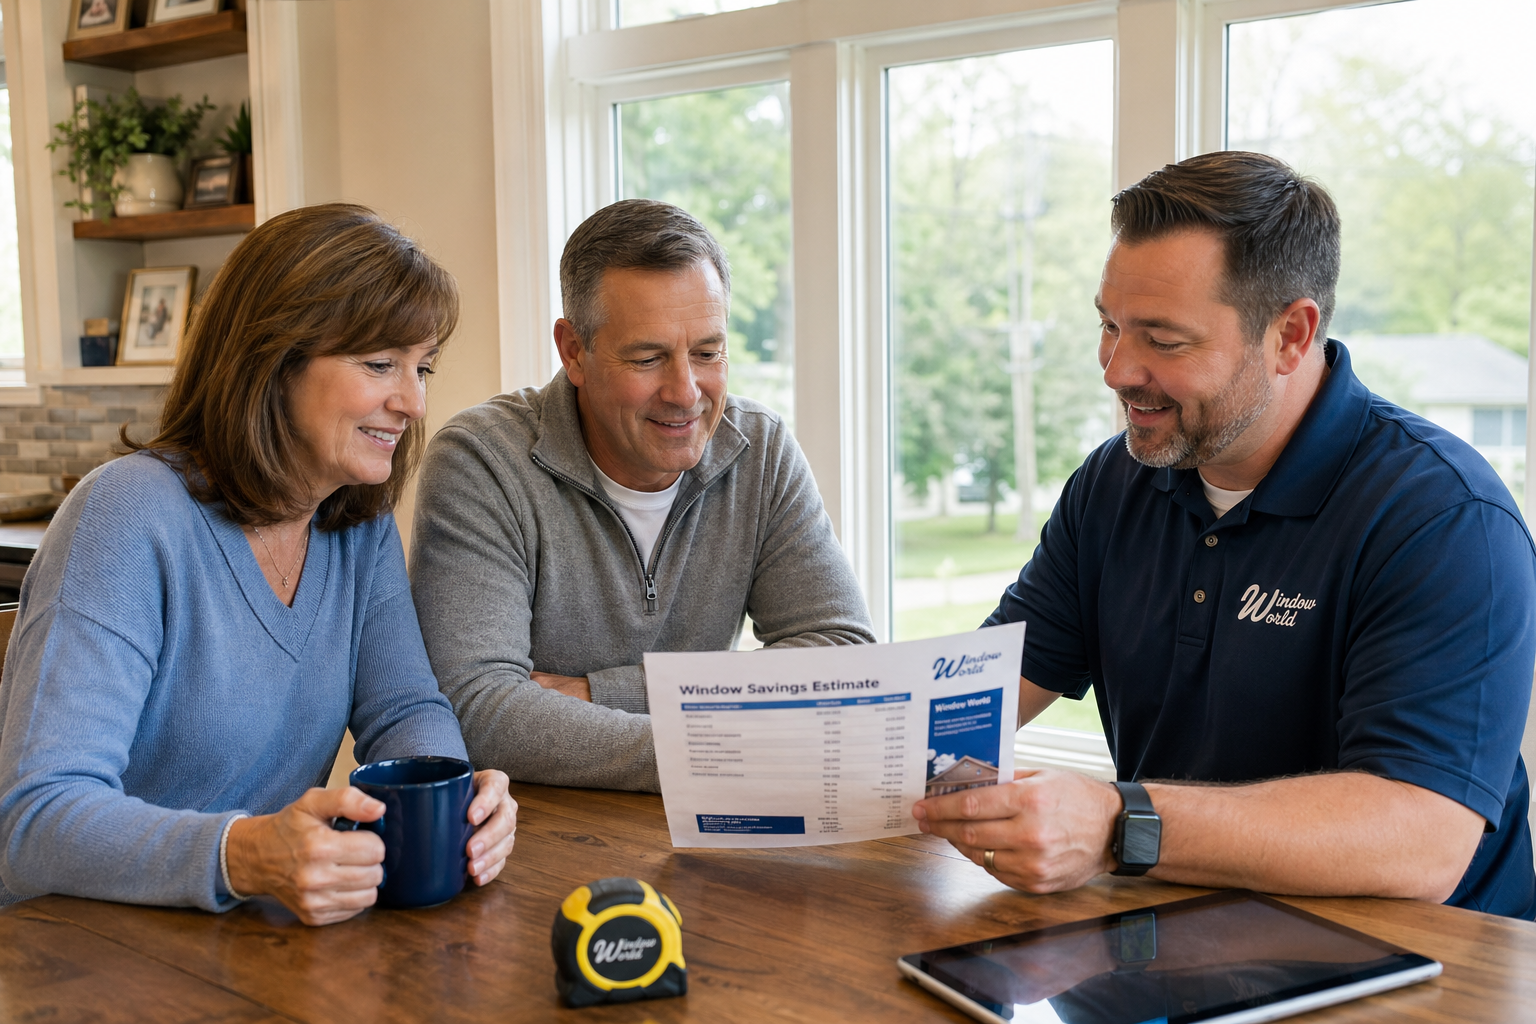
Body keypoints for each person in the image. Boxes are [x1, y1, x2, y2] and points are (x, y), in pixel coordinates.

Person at [914, 151, 1536, 919]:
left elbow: (1422, 841)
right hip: (1179, 944)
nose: (1116, 370)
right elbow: (981, 699)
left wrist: (1119, 823)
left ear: (1290, 336)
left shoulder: (1445, 519)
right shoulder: (1112, 486)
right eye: (1108, 326)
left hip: (1422, 973)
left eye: (1164, 341)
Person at [0, 203, 518, 925]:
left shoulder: (354, 524)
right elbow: (35, 821)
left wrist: (459, 799)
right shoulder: (124, 516)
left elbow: (404, 710)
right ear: (274, 360)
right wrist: (244, 854)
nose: (412, 401)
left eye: (421, 367)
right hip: (84, 952)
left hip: (252, 944)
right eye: (379, 365)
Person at [410, 199, 874, 792]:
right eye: (648, 358)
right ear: (573, 351)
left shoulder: (760, 451)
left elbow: (841, 662)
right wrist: (720, 743)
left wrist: (614, 691)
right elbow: (477, 711)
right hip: (537, 844)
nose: (686, 392)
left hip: (718, 833)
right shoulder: (483, 460)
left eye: (707, 353)